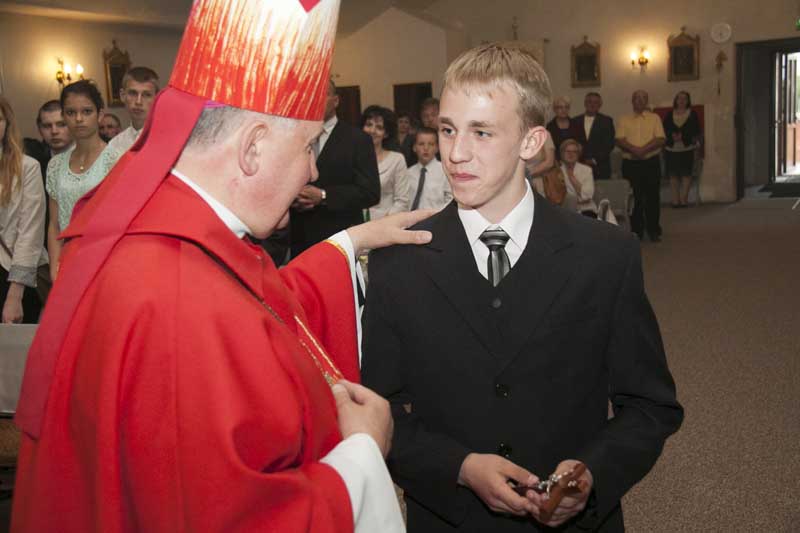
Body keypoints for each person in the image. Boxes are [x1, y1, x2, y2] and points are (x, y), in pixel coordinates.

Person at [12, 1, 425, 531]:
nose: (312, 170)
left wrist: (352, 241)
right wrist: (363, 451)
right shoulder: (178, 302)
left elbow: (256, 304)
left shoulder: (161, 231)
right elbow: (238, 518)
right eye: (306, 147)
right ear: (252, 147)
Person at [362, 42, 683, 533]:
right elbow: (378, 412)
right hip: (451, 518)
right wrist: (459, 467)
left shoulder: (604, 255)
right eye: (447, 129)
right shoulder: (398, 261)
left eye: (481, 132)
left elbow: (648, 405)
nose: (456, 153)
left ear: (531, 142)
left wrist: (592, 473)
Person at [289, 79, 380, 257]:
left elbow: (370, 192)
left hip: (339, 237)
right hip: (299, 238)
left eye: (322, 94)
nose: (315, 100)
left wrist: (324, 196)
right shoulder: (294, 136)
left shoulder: (357, 139)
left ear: (336, 100)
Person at [45, 80, 120, 280]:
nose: (79, 119)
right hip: (67, 261)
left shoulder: (116, 160)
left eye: (86, 111)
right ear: (64, 116)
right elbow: (54, 224)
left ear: (100, 114)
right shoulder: (55, 165)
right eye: (71, 112)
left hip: (106, 262)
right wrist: (54, 268)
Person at [0, 96, 48, 324]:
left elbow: (30, 234)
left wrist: (14, 296)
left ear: (7, 124)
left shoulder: (27, 167)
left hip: (11, 276)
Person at [616, 90, 666, 242]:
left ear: (646, 101)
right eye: (636, 98)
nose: (639, 100)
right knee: (634, 197)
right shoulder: (624, 119)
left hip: (651, 163)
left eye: (643, 98)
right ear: (632, 101)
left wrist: (642, 150)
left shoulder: (655, 118)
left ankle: (653, 230)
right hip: (631, 164)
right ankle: (636, 231)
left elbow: (660, 139)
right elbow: (619, 140)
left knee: (652, 197)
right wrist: (636, 151)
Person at [362, 105, 409, 220]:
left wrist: (382, 223)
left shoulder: (396, 159)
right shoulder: (353, 157)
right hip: (357, 224)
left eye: (379, 127)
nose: (372, 131)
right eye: (369, 125)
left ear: (386, 133)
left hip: (387, 223)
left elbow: (402, 201)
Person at [108, 66, 160, 154]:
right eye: (133, 93)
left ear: (157, 98)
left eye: (146, 95)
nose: (138, 102)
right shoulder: (115, 145)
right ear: (122, 95)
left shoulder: (170, 140)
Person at [662, 91, 702, 208]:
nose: (681, 101)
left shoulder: (693, 114)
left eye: (684, 98)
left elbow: (696, 130)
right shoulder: (669, 114)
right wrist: (672, 136)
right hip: (671, 149)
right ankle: (675, 200)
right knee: (673, 175)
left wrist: (683, 136)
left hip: (687, 148)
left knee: (686, 174)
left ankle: (684, 200)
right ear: (676, 100)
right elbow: (664, 129)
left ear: (688, 101)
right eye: (679, 98)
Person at [402, 126, 452, 211]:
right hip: (411, 217)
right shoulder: (408, 173)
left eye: (431, 144)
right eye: (421, 144)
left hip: (437, 217)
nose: (426, 148)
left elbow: (450, 200)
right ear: (414, 147)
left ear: (437, 148)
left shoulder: (445, 171)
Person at [23, 100, 73, 178]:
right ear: (39, 129)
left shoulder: (89, 155)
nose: (54, 131)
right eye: (47, 126)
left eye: (61, 124)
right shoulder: (35, 157)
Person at [574, 92, 615, 180]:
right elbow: (573, 143)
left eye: (596, 102)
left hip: (601, 167)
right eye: (589, 102)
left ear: (600, 105)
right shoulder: (575, 121)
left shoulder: (607, 121)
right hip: (579, 164)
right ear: (585, 104)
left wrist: (593, 160)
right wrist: (582, 160)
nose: (592, 104)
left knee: (602, 189)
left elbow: (609, 144)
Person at [559, 139, 597, 217]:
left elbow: (588, 195)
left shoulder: (587, 170)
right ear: (562, 154)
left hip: (586, 209)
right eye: (568, 151)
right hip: (565, 210)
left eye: (574, 152)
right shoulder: (557, 171)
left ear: (578, 155)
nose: (571, 154)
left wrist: (571, 177)